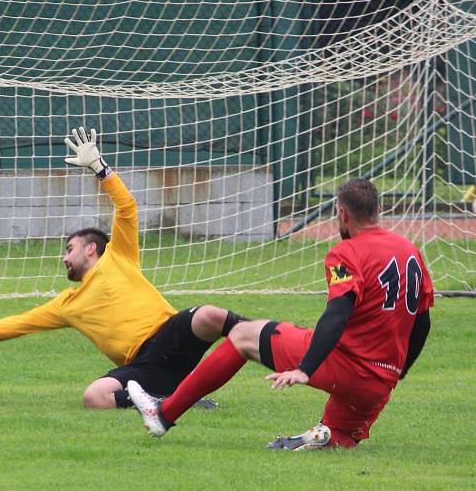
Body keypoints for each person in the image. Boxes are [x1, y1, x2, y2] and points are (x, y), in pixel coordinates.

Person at [0, 127, 248, 409]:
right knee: (94, 396)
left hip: (171, 335)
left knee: (209, 315)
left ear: (91, 248)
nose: (64, 258)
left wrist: (99, 168)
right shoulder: (68, 305)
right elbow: (19, 324)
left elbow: (127, 207)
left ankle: (270, 336)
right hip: (143, 366)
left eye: (70, 249)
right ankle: (173, 399)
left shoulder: (118, 256)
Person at [127, 178, 434, 449]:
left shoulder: (347, 252)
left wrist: (305, 368)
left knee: (243, 335)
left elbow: (337, 314)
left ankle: (163, 414)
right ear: (376, 210)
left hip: (348, 368)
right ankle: (327, 435)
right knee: (338, 435)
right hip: (379, 386)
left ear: (342, 213)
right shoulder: (410, 250)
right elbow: (422, 322)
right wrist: (398, 371)